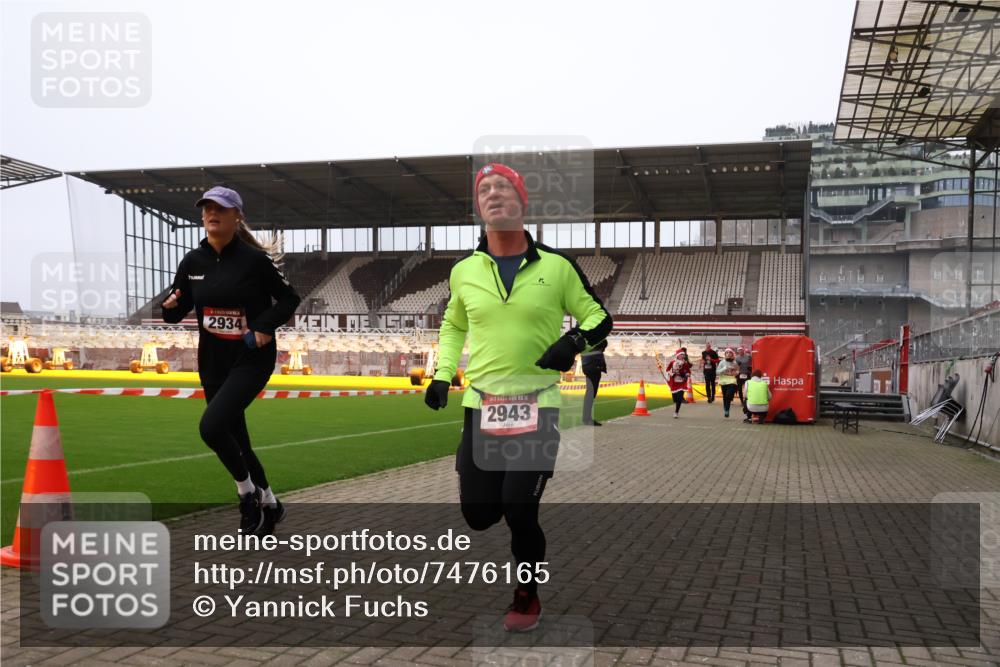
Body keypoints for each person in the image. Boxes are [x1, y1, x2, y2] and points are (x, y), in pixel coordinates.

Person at [424, 163, 612, 633]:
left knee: (520, 508)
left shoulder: (558, 266)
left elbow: (599, 319)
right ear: (479, 206)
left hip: (538, 403)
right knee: (479, 514)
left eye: (503, 186)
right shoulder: (464, 270)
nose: (493, 194)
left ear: (521, 201)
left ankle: (527, 593)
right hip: (480, 407)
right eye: (484, 189)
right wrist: (442, 375)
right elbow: (453, 326)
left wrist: (571, 344)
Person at [162, 186, 301, 536]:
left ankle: (247, 495)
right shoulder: (192, 262)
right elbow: (177, 312)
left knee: (211, 428)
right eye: (207, 208)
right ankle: (270, 505)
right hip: (212, 363)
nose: (212, 213)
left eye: (220, 208)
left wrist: (264, 325)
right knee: (238, 440)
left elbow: (288, 298)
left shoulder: (255, 261)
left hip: (250, 359)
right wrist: (170, 305)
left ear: (236, 216)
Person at [581, 339, 608, 426]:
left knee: (590, 394)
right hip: (593, 369)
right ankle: (587, 419)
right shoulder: (595, 350)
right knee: (590, 394)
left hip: (589, 368)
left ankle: (586, 418)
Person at [664, 349, 691, 419]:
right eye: (681, 355)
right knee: (675, 399)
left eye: (683, 355)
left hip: (682, 383)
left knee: (679, 398)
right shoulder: (672, 362)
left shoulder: (685, 364)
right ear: (678, 356)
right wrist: (672, 374)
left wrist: (686, 375)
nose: (682, 356)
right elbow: (667, 370)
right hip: (674, 383)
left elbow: (688, 372)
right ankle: (677, 403)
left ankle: (676, 412)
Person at [715, 348, 740, 418]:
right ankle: (726, 410)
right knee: (725, 397)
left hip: (732, 380)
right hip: (723, 380)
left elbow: (737, 371)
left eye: (730, 353)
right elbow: (717, 372)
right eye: (727, 353)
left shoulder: (734, 362)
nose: (728, 354)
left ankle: (727, 406)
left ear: (732, 354)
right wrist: (724, 368)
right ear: (725, 354)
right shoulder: (722, 362)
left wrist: (736, 373)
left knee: (728, 395)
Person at [734, 345, 753, 413]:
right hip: (740, 374)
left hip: (747, 374)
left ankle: (747, 400)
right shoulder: (736, 358)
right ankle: (742, 401)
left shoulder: (748, 356)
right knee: (739, 388)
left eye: (741, 350)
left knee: (748, 388)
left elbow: (753, 361)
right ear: (738, 352)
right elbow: (735, 366)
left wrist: (750, 367)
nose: (740, 351)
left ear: (743, 350)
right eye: (739, 351)